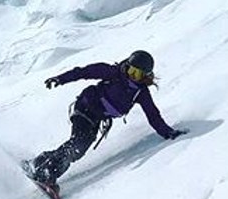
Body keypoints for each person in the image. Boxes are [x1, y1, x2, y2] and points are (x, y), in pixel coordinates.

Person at [25, 50, 186, 191]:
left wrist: (168, 132)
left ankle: (40, 163)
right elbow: (84, 72)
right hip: (85, 107)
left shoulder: (140, 93)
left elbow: (153, 115)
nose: (131, 75)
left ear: (145, 76)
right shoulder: (114, 72)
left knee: (78, 147)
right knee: (78, 145)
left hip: (97, 119)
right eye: (130, 70)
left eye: (137, 74)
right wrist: (60, 79)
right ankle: (47, 173)